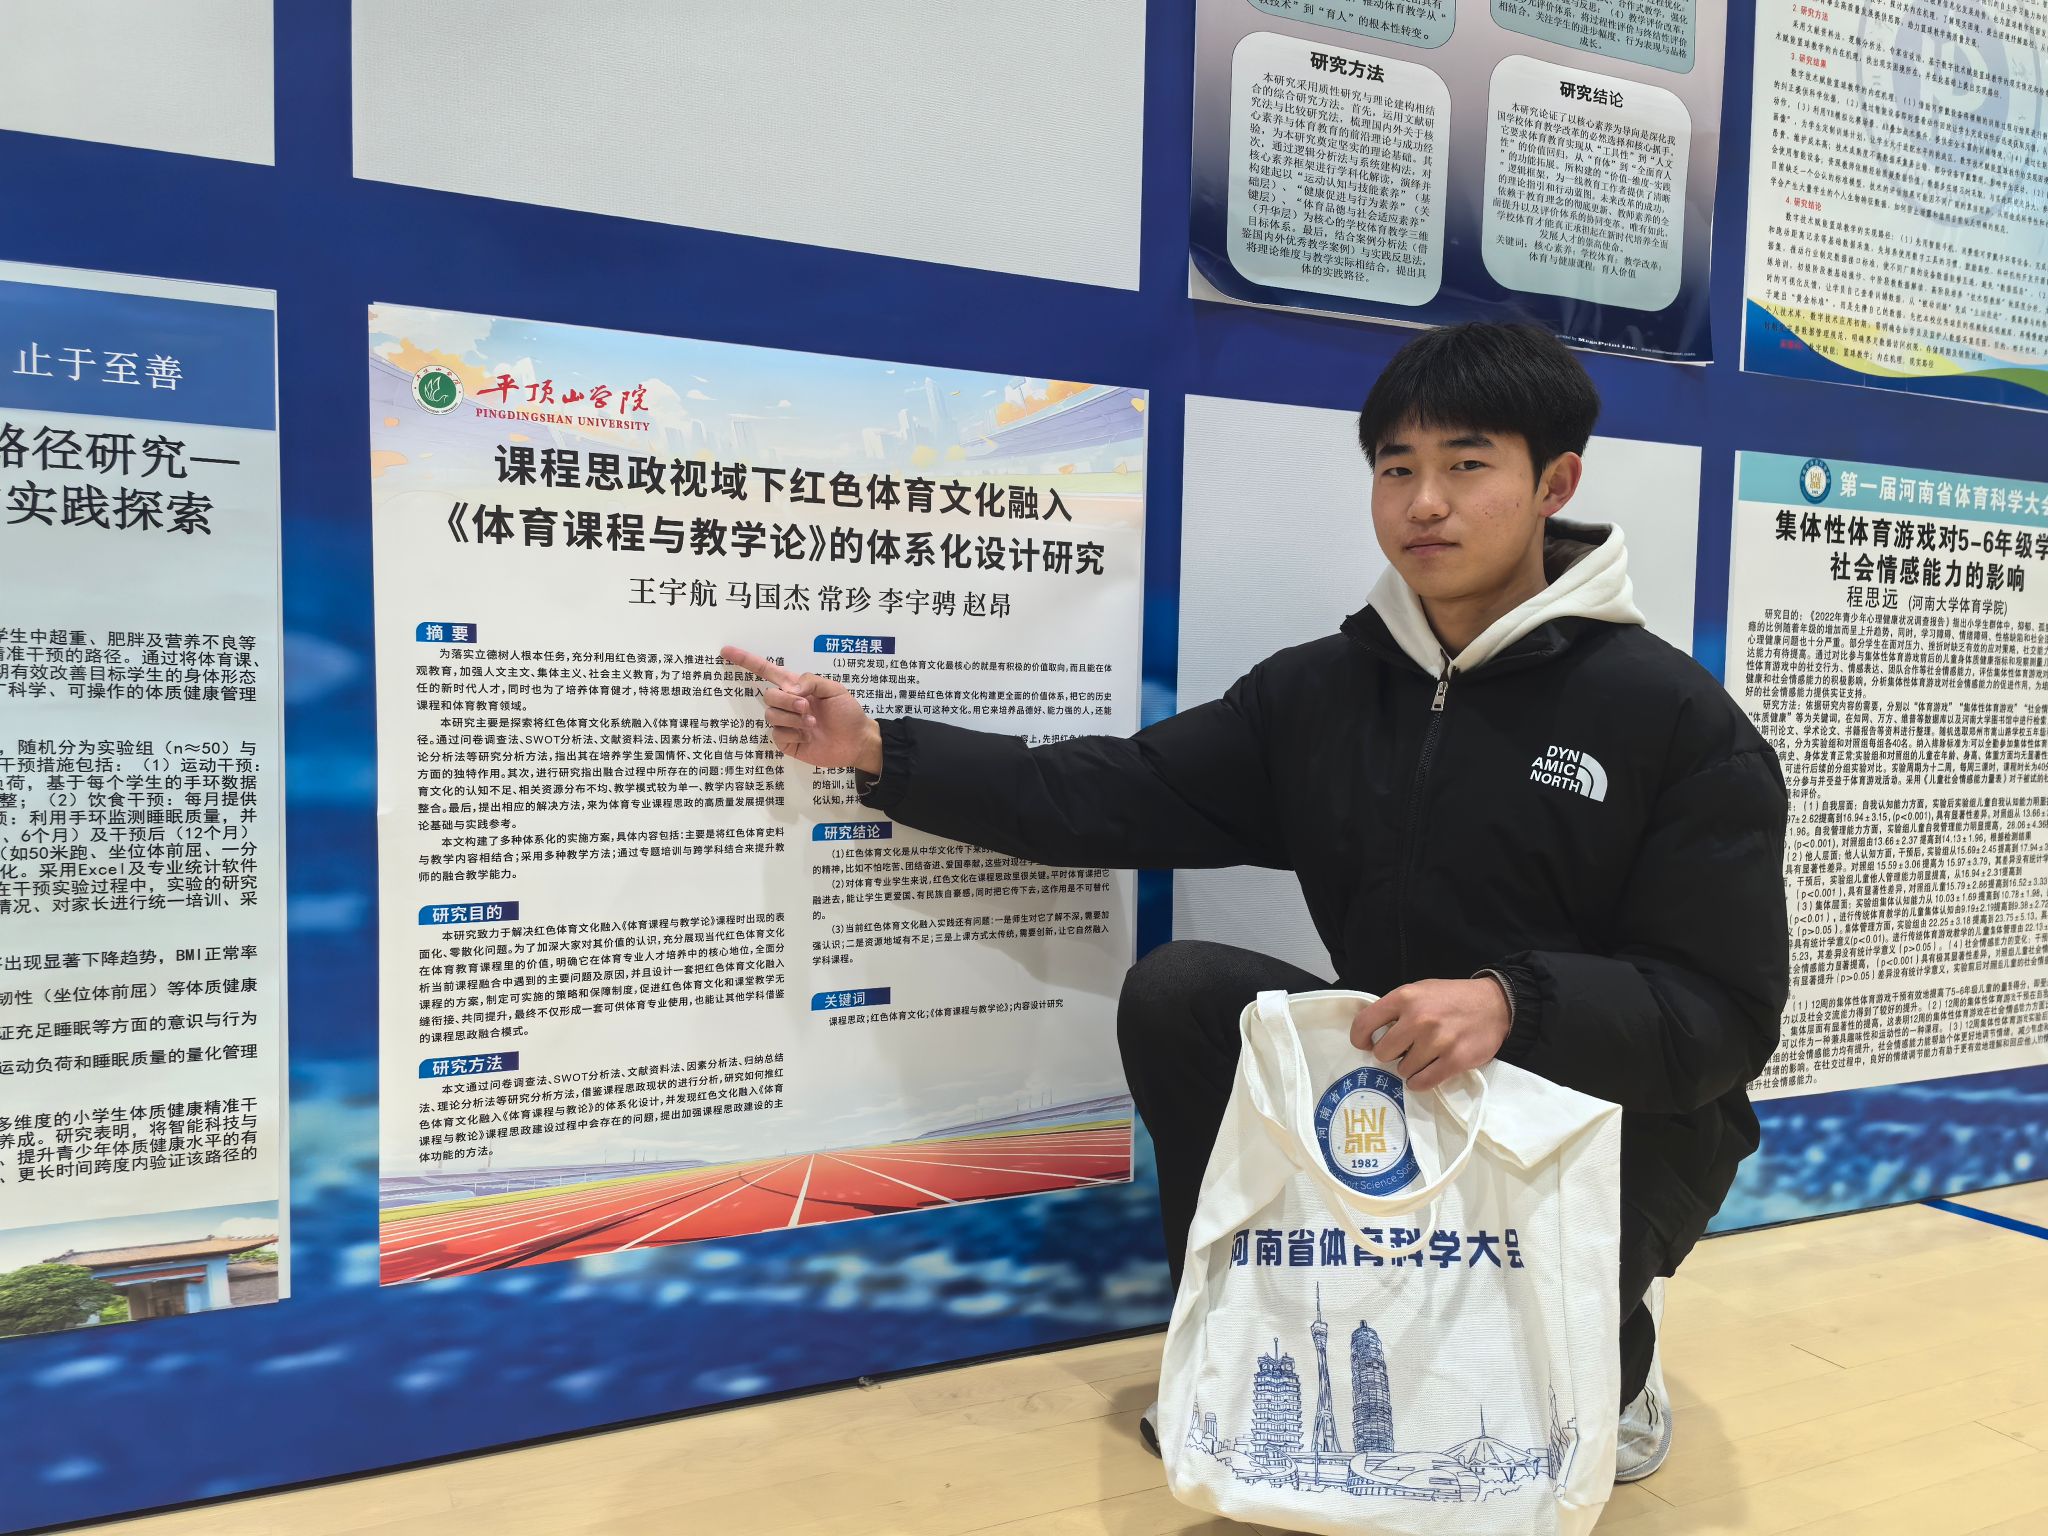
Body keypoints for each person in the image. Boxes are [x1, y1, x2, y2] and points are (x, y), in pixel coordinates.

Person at [722, 321, 1789, 1484]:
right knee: (1186, 993)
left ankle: (1615, 1346)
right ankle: (1244, 1339)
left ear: (1554, 484)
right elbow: (1110, 791)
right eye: (1395, 467)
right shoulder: (1319, 696)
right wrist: (879, 750)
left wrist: (1509, 1004)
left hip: (1599, 1123)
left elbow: (1720, 1014)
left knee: (1511, 1422)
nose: (1423, 502)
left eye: (1465, 464)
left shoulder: (1671, 722)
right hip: (1398, 1099)